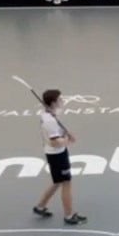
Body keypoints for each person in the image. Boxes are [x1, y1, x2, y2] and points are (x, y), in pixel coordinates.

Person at [32, 89, 87, 225]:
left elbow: (55, 134)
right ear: (52, 103)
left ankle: (40, 207)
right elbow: (55, 142)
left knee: (57, 182)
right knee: (66, 183)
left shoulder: (46, 115)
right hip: (57, 155)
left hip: (55, 153)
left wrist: (63, 134)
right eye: (59, 100)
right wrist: (68, 140)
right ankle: (69, 216)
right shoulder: (50, 121)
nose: (62, 101)